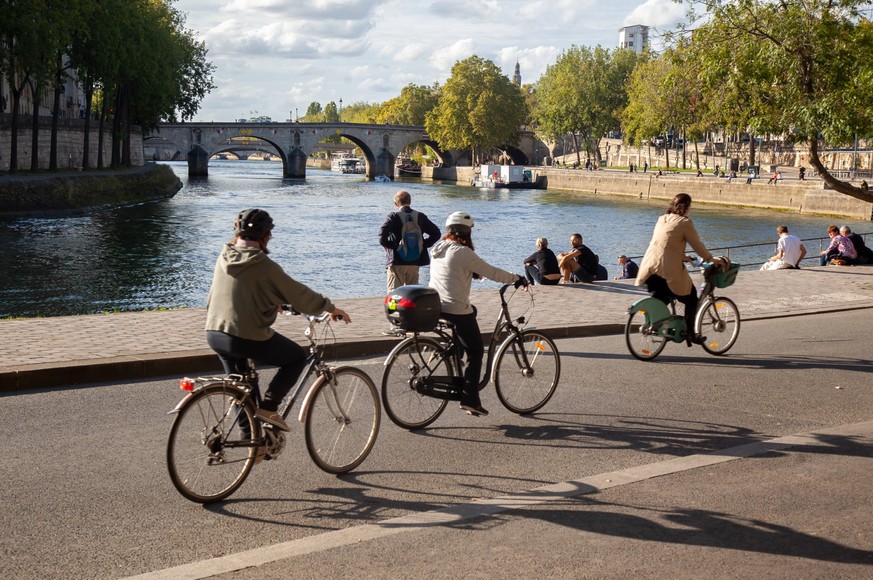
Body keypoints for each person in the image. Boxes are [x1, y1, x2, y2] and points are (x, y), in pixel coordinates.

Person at [205, 208, 351, 432]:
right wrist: (330, 307)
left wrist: (273, 302)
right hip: (243, 336)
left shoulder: (224, 255)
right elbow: (298, 294)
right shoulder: (264, 265)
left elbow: (236, 291)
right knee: (295, 358)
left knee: (242, 387)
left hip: (215, 333)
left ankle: (250, 439)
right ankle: (270, 407)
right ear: (265, 237)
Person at [429, 211, 526, 417]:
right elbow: (492, 272)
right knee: (476, 352)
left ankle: (457, 354)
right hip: (455, 309)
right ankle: (469, 399)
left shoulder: (437, 249)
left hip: (438, 306)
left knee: (472, 311)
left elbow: (453, 272)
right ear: (467, 232)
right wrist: (516, 278)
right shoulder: (462, 252)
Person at [635, 193, 718, 346]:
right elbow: (697, 245)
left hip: (648, 266)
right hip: (667, 268)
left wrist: (685, 257)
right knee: (692, 297)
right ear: (687, 207)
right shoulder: (684, 222)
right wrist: (710, 259)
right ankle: (691, 334)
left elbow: (666, 245)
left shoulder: (662, 218)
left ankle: (655, 323)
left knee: (664, 295)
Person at [379, 190, 441, 334]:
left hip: (397, 262)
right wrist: (423, 245)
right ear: (410, 201)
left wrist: (393, 247)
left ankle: (396, 325)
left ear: (396, 203)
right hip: (415, 262)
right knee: (412, 294)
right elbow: (436, 233)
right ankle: (411, 324)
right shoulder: (420, 216)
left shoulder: (393, 216)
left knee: (394, 294)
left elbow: (382, 237)